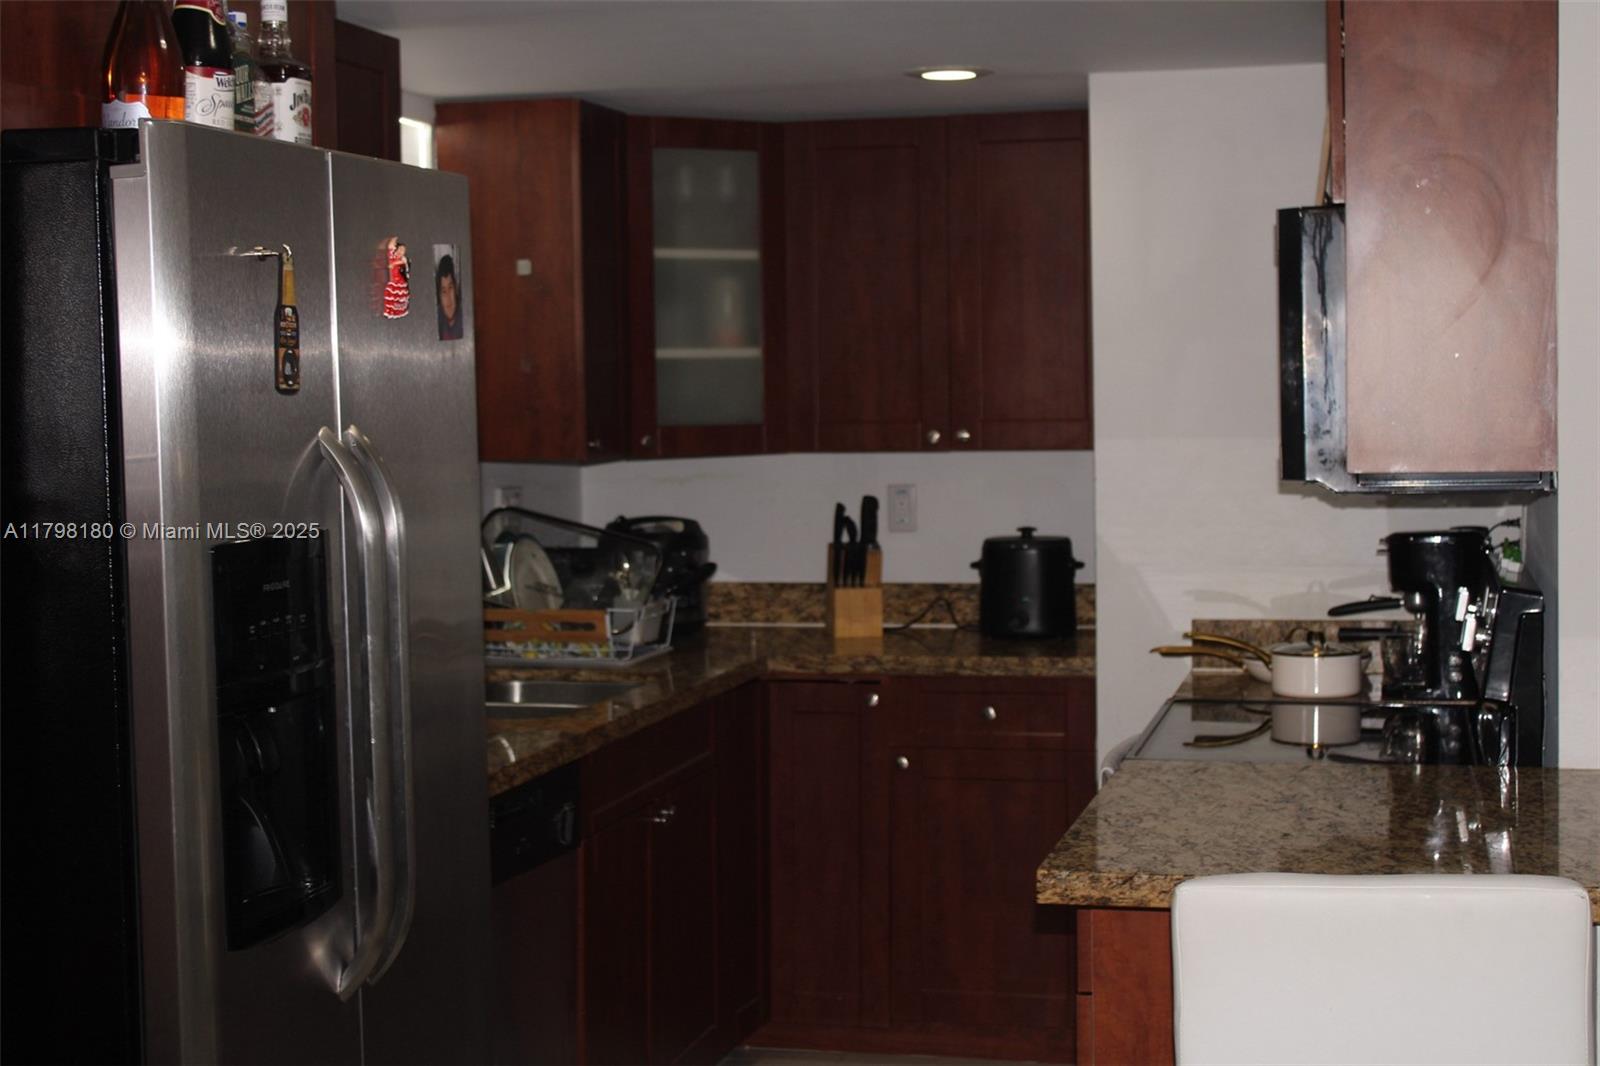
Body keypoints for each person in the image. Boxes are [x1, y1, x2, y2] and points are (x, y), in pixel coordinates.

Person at [436, 253, 462, 339]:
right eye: (443, 291)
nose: (448, 298)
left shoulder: (464, 316)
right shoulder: (437, 317)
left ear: (456, 289)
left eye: (450, 288)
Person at [382, 237, 410, 319]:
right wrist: (394, 240)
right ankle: (390, 311)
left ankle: (399, 311)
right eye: (400, 249)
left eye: (403, 251)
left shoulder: (402, 259)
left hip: (400, 281)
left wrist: (394, 264)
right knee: (391, 295)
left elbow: (403, 262)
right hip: (394, 280)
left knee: (399, 297)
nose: (401, 252)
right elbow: (390, 247)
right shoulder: (392, 257)